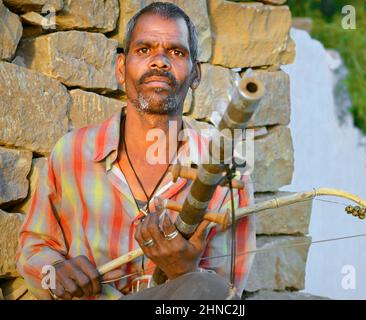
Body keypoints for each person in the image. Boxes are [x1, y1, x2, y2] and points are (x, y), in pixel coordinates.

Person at [17, 2, 256, 300]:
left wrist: (184, 272)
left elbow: (226, 297)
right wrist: (55, 270)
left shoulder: (228, 174)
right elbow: (34, 247)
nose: (159, 61)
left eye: (176, 52)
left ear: (195, 74)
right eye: (144, 50)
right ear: (120, 68)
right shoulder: (72, 153)